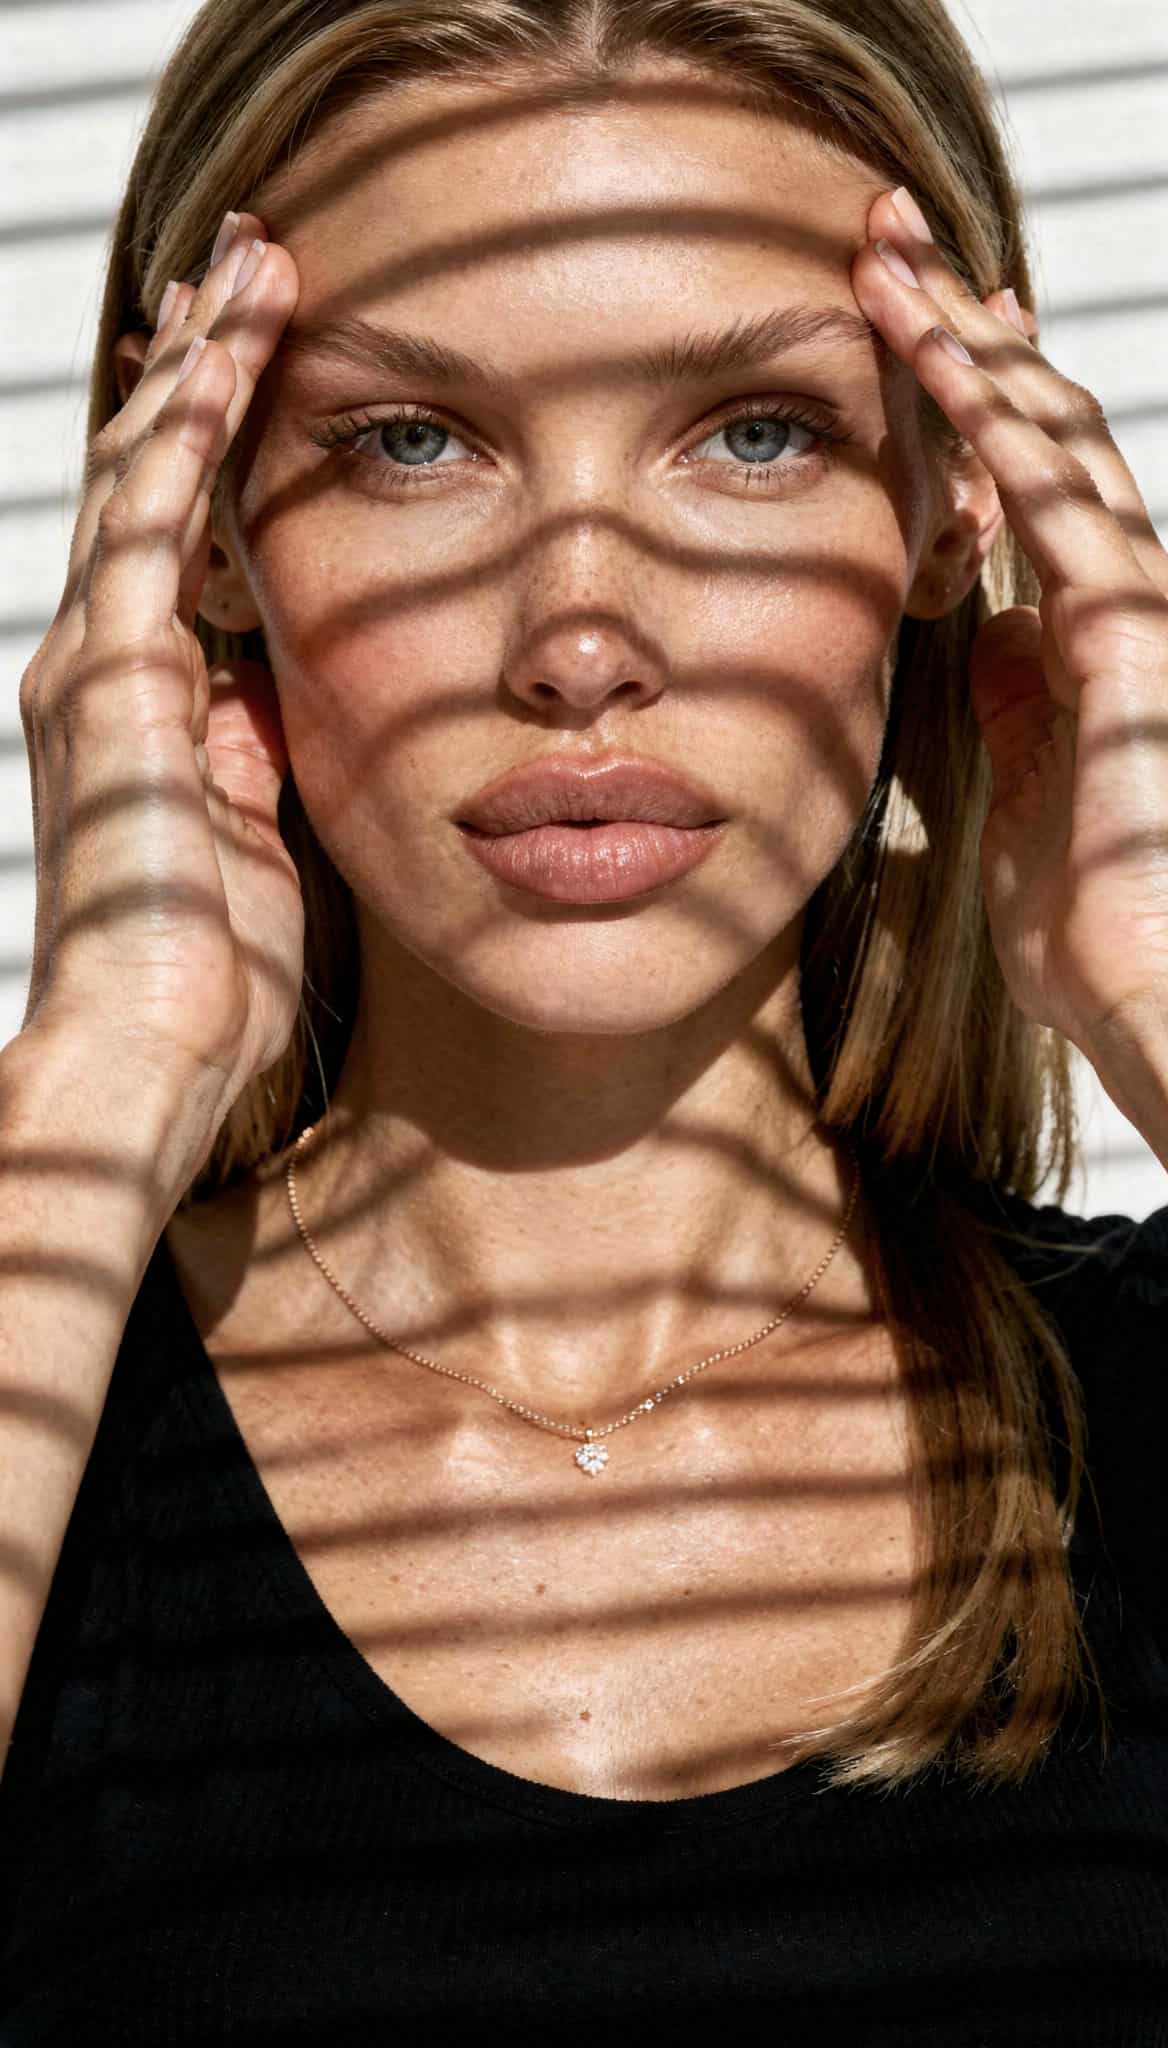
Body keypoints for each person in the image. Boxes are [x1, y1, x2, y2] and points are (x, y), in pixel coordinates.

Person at [0, 0, 1165, 2037]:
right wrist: (99, 1068)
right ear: (197, 523)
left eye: (750, 432)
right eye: (410, 441)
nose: (579, 643)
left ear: (955, 495)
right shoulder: (49, 1398)